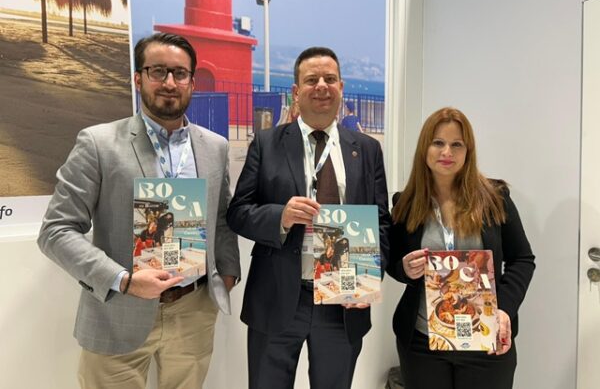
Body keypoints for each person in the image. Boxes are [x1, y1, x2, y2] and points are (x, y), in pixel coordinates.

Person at [37, 32, 241, 389]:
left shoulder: (215, 147)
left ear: (192, 82)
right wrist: (123, 280)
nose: (169, 83)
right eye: (157, 71)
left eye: (180, 73)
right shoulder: (98, 143)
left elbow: (222, 218)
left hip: (193, 312)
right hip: (119, 310)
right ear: (138, 78)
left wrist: (227, 273)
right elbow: (56, 231)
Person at [227, 46, 391, 389]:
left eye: (330, 79)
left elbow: (381, 223)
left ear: (341, 88)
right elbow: (238, 213)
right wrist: (281, 217)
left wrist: (370, 278)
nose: (321, 86)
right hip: (277, 297)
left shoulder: (367, 149)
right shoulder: (267, 143)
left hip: (342, 303)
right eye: (311, 79)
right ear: (296, 91)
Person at [386, 107, 535, 389]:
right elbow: (392, 260)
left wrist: (504, 309)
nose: (447, 152)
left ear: (468, 151)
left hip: (485, 337)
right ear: (425, 148)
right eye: (438, 142)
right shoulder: (405, 203)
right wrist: (404, 269)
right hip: (422, 342)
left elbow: (522, 259)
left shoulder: (495, 198)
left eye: (457, 144)